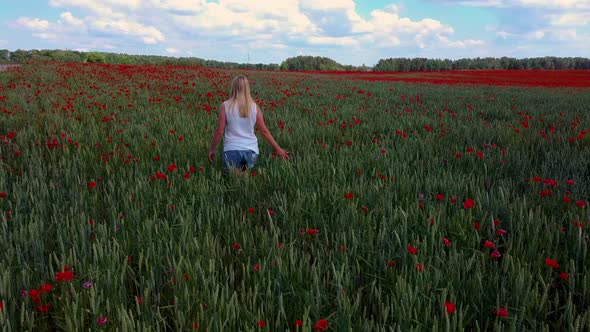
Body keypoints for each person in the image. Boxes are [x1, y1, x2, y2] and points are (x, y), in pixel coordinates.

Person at [208, 75, 289, 172]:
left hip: (231, 151)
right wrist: (278, 149)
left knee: (233, 180)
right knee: (244, 180)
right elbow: (264, 131)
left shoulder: (225, 106)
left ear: (233, 87)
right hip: (250, 152)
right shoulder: (255, 107)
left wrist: (212, 149)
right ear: (247, 88)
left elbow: (219, 131)